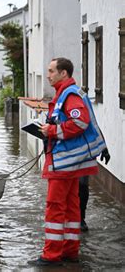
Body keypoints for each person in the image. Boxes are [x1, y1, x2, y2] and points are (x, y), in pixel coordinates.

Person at [28, 57, 109, 266]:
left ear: (64, 73)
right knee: (72, 207)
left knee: (55, 206)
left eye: (51, 71)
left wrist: (52, 131)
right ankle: (70, 251)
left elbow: (80, 121)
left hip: (63, 163)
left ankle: (51, 255)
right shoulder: (67, 94)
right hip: (71, 162)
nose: (48, 75)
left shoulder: (69, 95)